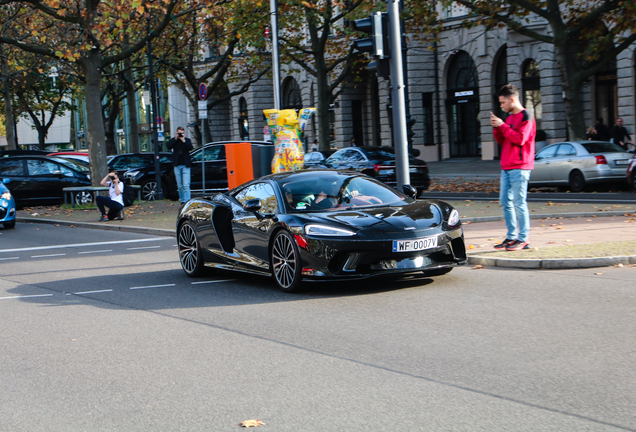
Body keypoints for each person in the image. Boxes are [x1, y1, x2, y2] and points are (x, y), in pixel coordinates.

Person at [490, 84, 536, 251]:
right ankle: (511, 237)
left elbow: (520, 139)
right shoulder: (508, 119)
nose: (501, 106)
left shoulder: (527, 116)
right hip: (507, 166)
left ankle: (523, 238)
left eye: (503, 103)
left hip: (520, 166)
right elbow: (505, 141)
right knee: (505, 202)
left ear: (511, 99)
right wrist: (497, 128)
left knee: (519, 202)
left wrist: (502, 125)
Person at [167, 126, 194, 203]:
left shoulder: (187, 140)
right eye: (179, 133)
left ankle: (187, 201)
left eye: (181, 133)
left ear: (184, 133)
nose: (180, 134)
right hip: (177, 165)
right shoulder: (174, 141)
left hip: (185, 165)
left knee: (186, 184)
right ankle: (182, 200)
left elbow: (190, 147)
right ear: (176, 133)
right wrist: (175, 138)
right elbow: (169, 146)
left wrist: (183, 140)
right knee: (180, 185)